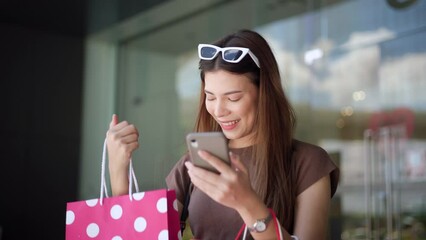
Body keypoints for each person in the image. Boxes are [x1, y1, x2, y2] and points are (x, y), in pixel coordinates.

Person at [106, 29, 339, 240]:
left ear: (265, 94)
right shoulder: (196, 162)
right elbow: (144, 235)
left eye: (233, 98)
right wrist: (119, 173)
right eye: (210, 96)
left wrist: (247, 203)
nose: (218, 110)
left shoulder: (308, 162)